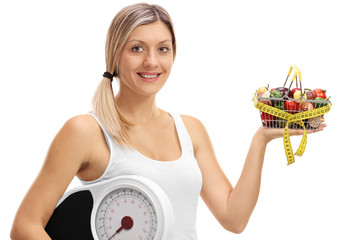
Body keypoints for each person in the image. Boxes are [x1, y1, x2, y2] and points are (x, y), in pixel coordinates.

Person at [10, 3, 326, 240]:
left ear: (174, 54)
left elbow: (234, 218)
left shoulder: (191, 130)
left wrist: (261, 139)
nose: (152, 61)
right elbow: (25, 225)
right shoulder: (86, 131)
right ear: (115, 56)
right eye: (137, 49)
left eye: (163, 49)